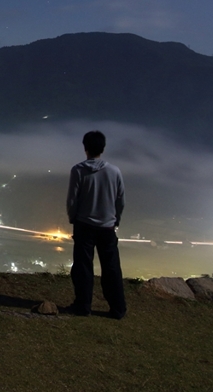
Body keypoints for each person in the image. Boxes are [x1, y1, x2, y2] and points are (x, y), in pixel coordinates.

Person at [64, 130, 127, 318]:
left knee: (83, 267)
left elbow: (72, 200)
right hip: (107, 227)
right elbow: (120, 200)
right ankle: (118, 309)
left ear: (85, 148)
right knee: (112, 268)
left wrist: (72, 217)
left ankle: (83, 306)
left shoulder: (78, 170)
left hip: (84, 225)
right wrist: (116, 220)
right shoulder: (114, 171)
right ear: (103, 148)